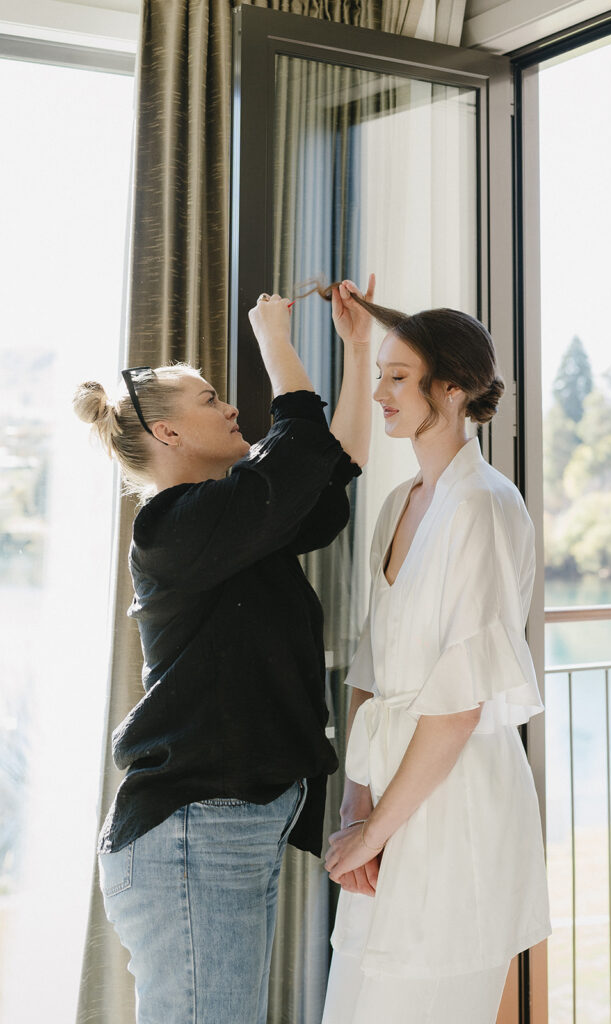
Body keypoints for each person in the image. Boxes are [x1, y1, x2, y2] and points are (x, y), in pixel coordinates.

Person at [73, 278, 374, 1024]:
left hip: (228, 823)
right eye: (209, 398)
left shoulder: (233, 528)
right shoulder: (173, 528)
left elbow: (325, 476)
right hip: (193, 829)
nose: (230, 405)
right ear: (168, 435)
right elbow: (299, 451)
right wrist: (272, 335)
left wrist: (361, 352)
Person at [321, 301, 551, 1024]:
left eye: (398, 377)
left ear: (451, 389)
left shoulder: (482, 507)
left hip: (453, 812)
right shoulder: (397, 504)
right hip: (386, 798)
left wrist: (374, 829)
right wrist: (355, 809)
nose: (381, 393)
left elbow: (458, 705)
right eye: (380, 375)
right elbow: (368, 667)